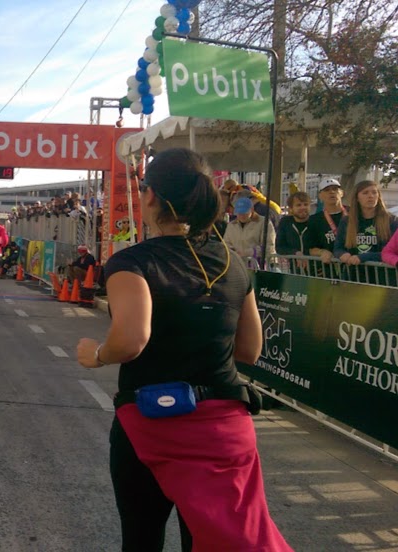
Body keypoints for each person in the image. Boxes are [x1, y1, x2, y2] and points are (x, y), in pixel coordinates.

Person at [77, 148, 290, 551]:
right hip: (225, 430)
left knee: (142, 539)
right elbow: (250, 350)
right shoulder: (232, 264)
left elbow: (132, 340)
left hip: (153, 423)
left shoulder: (132, 263)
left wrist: (98, 353)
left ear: (150, 196)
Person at [333, 180, 398, 284]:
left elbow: (390, 252)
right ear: (357, 198)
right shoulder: (347, 221)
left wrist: (363, 257)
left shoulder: (392, 220)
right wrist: (342, 254)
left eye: (374, 192)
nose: (370, 196)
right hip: (354, 277)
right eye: (365, 193)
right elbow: (338, 247)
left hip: (383, 278)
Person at [223, 196, 276, 266]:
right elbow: (226, 244)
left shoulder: (264, 223)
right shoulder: (231, 225)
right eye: (239, 212)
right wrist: (232, 253)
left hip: (260, 264)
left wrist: (250, 252)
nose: (242, 215)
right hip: (237, 264)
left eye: (245, 212)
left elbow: (268, 246)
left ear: (252, 209)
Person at [307, 178, 347, 266]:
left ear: (341, 193)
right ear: (320, 196)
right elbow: (309, 248)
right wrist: (322, 252)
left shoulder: (354, 213)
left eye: (335, 189)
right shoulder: (314, 220)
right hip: (328, 268)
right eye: (327, 190)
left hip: (354, 266)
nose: (331, 192)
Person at [275, 191, 312, 256]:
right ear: (291, 209)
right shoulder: (285, 223)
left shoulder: (316, 221)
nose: (303, 207)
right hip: (293, 261)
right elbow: (280, 247)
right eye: (298, 205)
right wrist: (294, 253)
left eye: (306, 204)